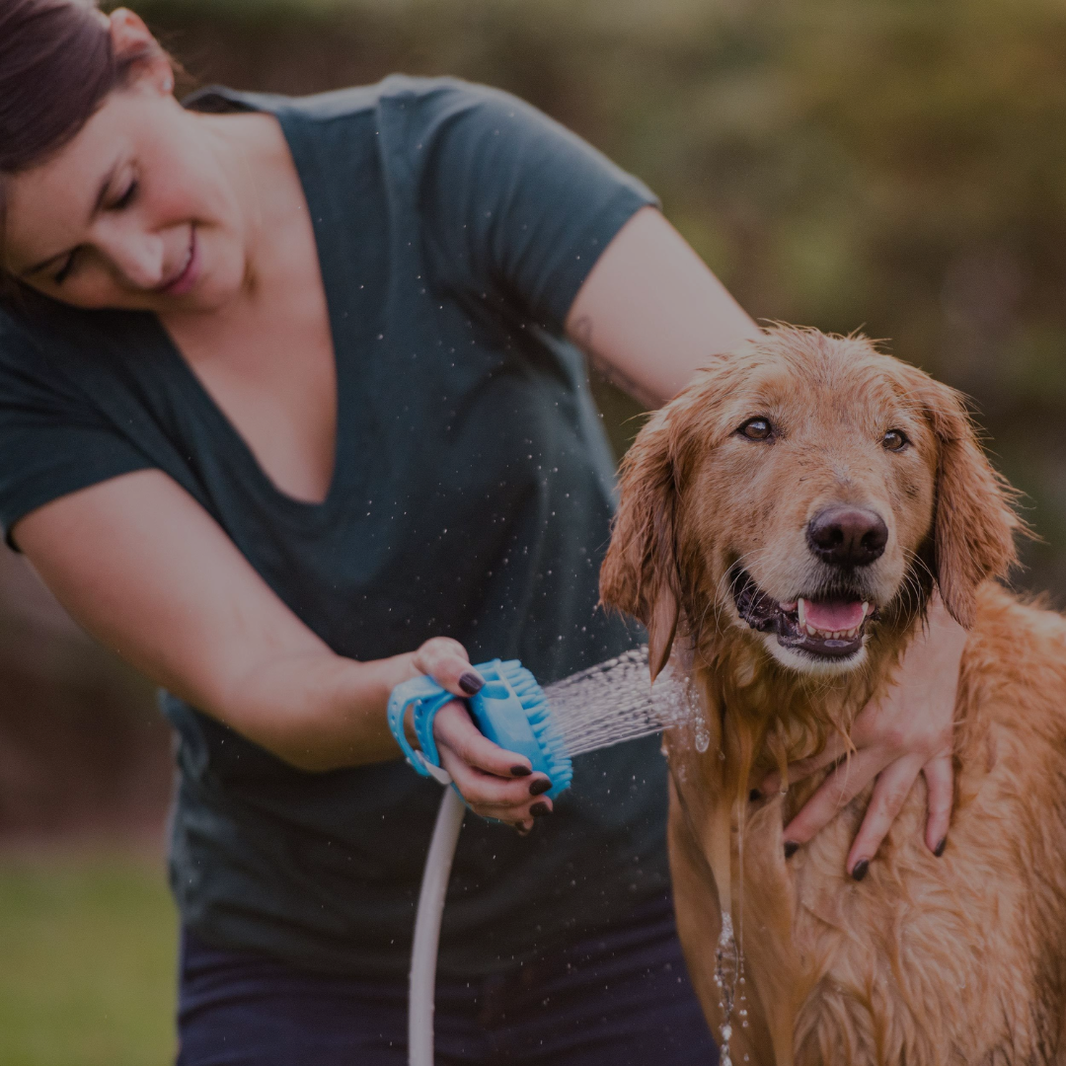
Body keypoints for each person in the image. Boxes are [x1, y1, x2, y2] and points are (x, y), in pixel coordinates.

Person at [0, 2, 966, 1063]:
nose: (134, 263)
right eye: (64, 269)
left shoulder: (449, 164)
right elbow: (256, 669)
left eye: (124, 190)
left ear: (141, 57)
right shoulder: (31, 374)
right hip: (306, 960)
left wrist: (935, 640)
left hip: (639, 901)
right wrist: (403, 700)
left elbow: (774, 423)